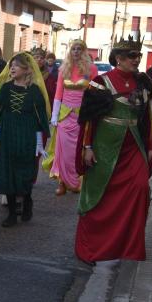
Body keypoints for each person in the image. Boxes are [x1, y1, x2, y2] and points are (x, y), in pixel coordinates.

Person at [75, 35, 152, 265]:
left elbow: (147, 119)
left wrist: (151, 146)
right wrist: (87, 147)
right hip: (104, 149)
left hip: (134, 148)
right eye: (132, 56)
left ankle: (129, 247)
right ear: (118, 58)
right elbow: (89, 119)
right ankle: (94, 248)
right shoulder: (100, 83)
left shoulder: (143, 83)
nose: (137, 59)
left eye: (138, 55)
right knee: (98, 197)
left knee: (140, 188)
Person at [0, 53, 49, 227]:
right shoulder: (6, 88)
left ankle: (27, 200)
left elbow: (40, 118)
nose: (12, 68)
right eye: (11, 65)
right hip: (8, 133)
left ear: (26, 70)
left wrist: (39, 143)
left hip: (26, 134)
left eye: (16, 66)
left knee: (24, 172)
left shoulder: (34, 91)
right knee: (8, 172)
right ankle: (11, 213)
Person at [46, 40, 98, 195]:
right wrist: (54, 115)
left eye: (79, 49)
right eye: (73, 49)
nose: (76, 51)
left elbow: (95, 93)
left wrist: (93, 113)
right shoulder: (64, 69)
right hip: (64, 116)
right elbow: (58, 94)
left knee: (78, 150)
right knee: (62, 150)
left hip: (82, 116)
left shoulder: (92, 69)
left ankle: (77, 181)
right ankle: (62, 182)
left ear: (84, 51)